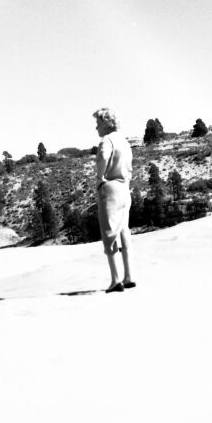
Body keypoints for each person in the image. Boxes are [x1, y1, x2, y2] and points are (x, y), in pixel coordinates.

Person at [93, 107, 135, 292]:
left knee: (109, 233)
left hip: (110, 187)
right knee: (124, 231)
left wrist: (100, 177)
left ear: (106, 123)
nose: (96, 127)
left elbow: (103, 157)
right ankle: (129, 276)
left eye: (98, 123)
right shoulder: (124, 142)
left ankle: (115, 279)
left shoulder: (107, 140)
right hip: (125, 188)